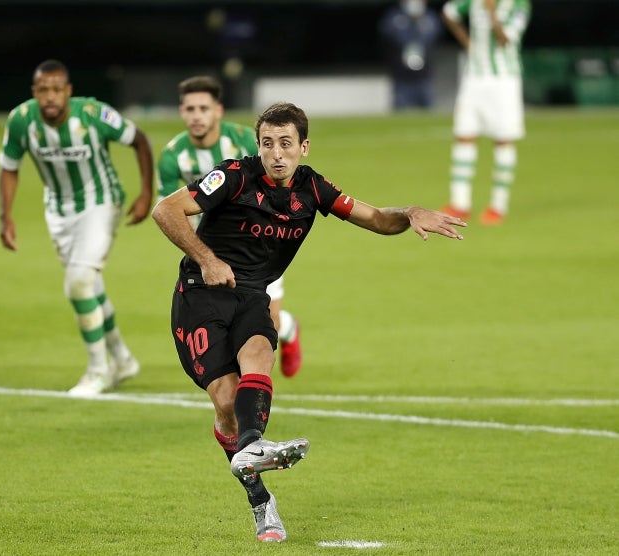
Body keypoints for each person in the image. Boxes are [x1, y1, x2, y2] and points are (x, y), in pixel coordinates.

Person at [151, 102, 466, 542]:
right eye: (267, 144)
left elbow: (375, 219)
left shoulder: (313, 188)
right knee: (225, 406)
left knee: (259, 352)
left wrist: (411, 212)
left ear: (303, 147)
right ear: (257, 146)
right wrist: (206, 259)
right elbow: (166, 209)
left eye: (285, 144)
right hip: (200, 296)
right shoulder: (234, 176)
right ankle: (261, 499)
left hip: (251, 296)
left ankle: (254, 444)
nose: (276, 154)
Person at [0, 59, 153, 397]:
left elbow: (139, 140)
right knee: (90, 285)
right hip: (59, 211)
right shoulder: (22, 121)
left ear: (68, 91)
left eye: (56, 90)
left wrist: (145, 193)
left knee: (79, 282)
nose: (49, 97)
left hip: (102, 202)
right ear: (34, 92)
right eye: (43, 90)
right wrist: (5, 216)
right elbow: (9, 167)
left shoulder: (94, 115)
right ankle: (123, 359)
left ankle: (98, 371)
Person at [157, 76, 303, 378]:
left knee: (269, 322)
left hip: (260, 242)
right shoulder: (172, 157)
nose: (197, 116)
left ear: (218, 110)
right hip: (212, 250)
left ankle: (288, 329)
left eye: (204, 108)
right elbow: (173, 211)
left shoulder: (241, 142)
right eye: (190, 109)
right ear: (182, 112)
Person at [440, 0, 531, 225]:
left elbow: (504, 40)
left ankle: (498, 206)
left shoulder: (519, 5)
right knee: (464, 136)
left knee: (503, 141)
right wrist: (467, 43)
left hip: (503, 82)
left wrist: (491, 11)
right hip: (474, 78)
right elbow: (448, 13)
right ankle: (460, 204)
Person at [378, 0, 443, 110]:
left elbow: (433, 37)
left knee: (428, 114)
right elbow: (389, 36)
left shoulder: (430, 18)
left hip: (424, 78)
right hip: (401, 79)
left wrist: (418, 24)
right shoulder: (394, 17)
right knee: (400, 115)